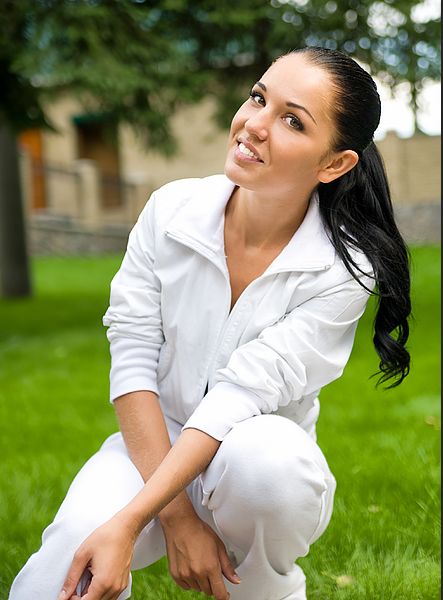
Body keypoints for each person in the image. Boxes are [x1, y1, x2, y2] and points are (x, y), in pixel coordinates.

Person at [9, 46, 411, 600]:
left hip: (252, 463)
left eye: (292, 121)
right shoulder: (168, 213)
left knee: (267, 461)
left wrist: (134, 521)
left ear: (334, 164)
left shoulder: (341, 271)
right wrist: (171, 519)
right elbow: (132, 364)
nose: (254, 126)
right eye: (258, 99)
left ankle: (264, 589)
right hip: (147, 445)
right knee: (64, 573)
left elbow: (237, 396)